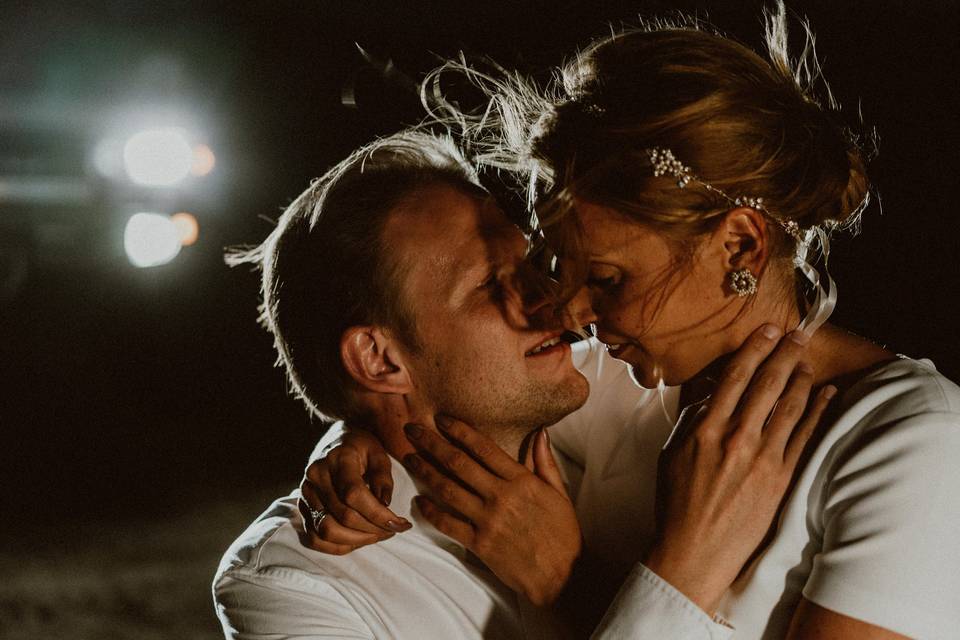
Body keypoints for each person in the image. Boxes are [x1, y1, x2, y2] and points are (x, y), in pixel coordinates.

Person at [299, 5, 960, 639]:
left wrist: (571, 580)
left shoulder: (911, 447)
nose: (573, 313)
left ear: (739, 245)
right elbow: (452, 391)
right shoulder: (631, 394)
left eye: (610, 280)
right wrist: (353, 440)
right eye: (561, 266)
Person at [212, 128, 827, 639]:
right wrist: (642, 581)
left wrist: (353, 434)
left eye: (531, 264)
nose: (550, 300)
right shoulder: (296, 586)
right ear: (377, 358)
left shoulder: (646, 390)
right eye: (487, 286)